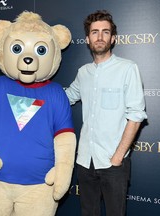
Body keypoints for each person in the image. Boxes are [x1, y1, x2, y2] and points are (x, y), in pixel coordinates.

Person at [65, 10, 147, 216]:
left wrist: (118, 157)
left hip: (113, 162)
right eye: (94, 32)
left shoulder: (128, 68)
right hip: (85, 160)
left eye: (105, 32)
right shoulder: (83, 72)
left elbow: (136, 116)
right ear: (87, 39)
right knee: (88, 213)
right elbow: (66, 98)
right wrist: (34, 89)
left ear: (113, 38)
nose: (99, 37)